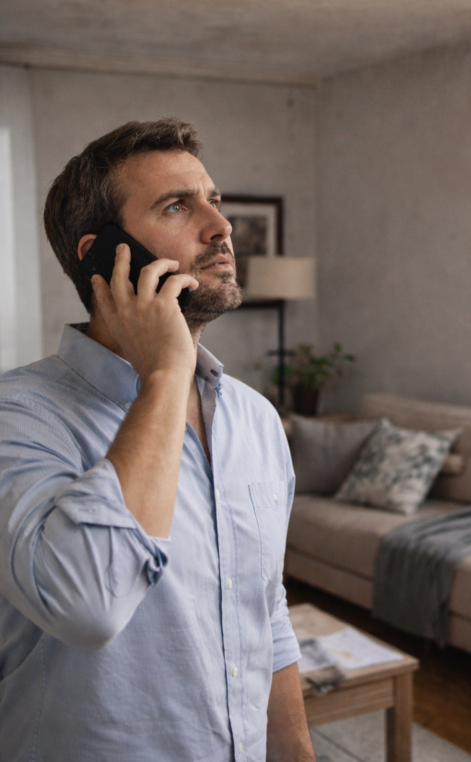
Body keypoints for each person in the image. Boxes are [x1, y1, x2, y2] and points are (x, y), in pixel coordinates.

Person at [0, 118, 316, 762]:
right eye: (178, 206)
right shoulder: (18, 416)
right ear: (103, 256)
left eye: (214, 201)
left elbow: (265, 612)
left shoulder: (256, 420)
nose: (220, 226)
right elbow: (87, 603)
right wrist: (166, 372)